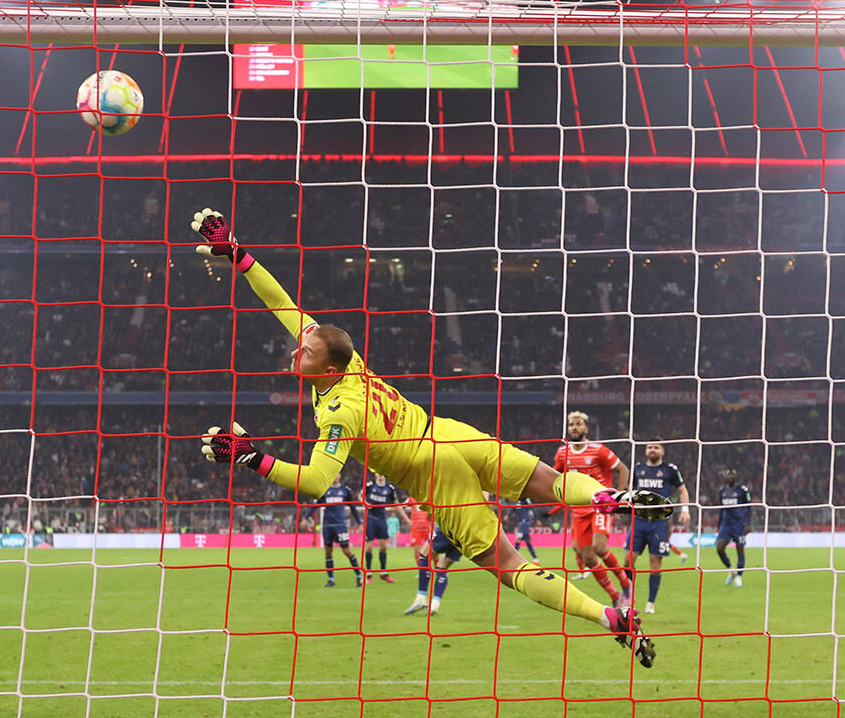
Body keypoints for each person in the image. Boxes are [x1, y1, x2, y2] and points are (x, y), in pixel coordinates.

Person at [190, 208, 669, 666]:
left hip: (429, 472)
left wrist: (251, 458)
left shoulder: (340, 412)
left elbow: (317, 482)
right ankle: (610, 496)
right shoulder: (345, 359)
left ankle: (610, 617)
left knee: (509, 565)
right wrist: (238, 254)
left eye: (307, 349)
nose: (299, 347)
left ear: (328, 367)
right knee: (550, 480)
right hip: (447, 433)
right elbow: (281, 302)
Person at [553, 411, 633, 606]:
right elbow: (554, 476)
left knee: (599, 547)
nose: (574, 427)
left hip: (601, 506)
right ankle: (615, 597)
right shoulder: (563, 452)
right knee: (587, 557)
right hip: (578, 510)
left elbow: (623, 469)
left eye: (578, 424)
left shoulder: (599, 451)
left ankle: (625, 582)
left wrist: (618, 499)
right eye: (571, 424)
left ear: (586, 428)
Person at [623, 440, 691, 614]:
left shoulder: (670, 470)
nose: (652, 450)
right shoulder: (638, 468)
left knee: (655, 564)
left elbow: (682, 490)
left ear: (662, 451)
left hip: (660, 523)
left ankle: (650, 603)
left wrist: (685, 509)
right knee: (627, 561)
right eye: (649, 447)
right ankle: (629, 597)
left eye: (656, 447)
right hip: (638, 520)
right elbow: (629, 489)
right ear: (646, 451)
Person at [303, 477, 363, 588]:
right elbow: (314, 506)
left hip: (340, 525)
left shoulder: (346, 490)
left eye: (337, 474)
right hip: (327, 525)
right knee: (328, 552)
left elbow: (353, 507)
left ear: (340, 475)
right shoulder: (324, 490)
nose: (335, 476)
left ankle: (359, 575)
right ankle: (331, 579)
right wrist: (306, 518)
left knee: (346, 551)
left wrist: (359, 523)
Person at [406, 526, 466, 616]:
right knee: (442, 567)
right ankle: (435, 604)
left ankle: (421, 598)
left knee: (424, 555)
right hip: (466, 535)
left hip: (450, 527)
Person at [361, 473, 409, 582]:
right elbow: (360, 495)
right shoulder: (370, 486)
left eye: (383, 474)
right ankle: (368, 573)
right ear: (375, 474)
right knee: (369, 547)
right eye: (379, 473)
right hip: (370, 520)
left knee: (383, 547)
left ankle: (383, 573)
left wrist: (407, 519)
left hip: (382, 520)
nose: (381, 475)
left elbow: (396, 504)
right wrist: (364, 503)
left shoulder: (390, 489)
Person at [715, 469, 751, 588]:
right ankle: (731, 570)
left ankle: (739, 577)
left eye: (732, 475)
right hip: (726, 525)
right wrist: (718, 525)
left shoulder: (742, 490)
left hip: (739, 525)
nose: (730, 477)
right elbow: (721, 509)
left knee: (740, 550)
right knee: (719, 548)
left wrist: (747, 524)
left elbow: (749, 507)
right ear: (726, 476)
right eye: (728, 474)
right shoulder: (722, 491)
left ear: (736, 477)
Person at [507, 498, 540, 565]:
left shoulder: (526, 499)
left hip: (525, 522)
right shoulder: (518, 501)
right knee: (527, 541)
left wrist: (536, 519)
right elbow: (514, 509)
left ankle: (513, 558)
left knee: (518, 540)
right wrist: (508, 515)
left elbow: (532, 508)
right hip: (522, 522)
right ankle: (536, 559)